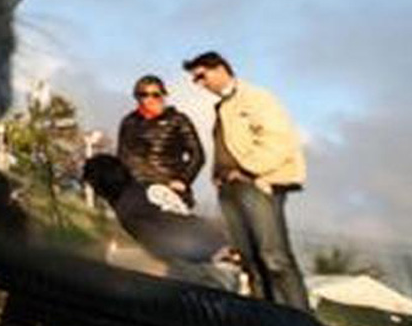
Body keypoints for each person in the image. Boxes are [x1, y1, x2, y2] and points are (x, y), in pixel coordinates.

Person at [183, 51, 310, 311]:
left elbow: (279, 139)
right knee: (251, 261)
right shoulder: (223, 106)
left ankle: (299, 317)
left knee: (274, 259)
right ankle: (264, 317)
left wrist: (249, 171)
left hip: (256, 186)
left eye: (201, 76)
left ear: (219, 69)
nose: (199, 83)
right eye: (195, 79)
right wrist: (220, 178)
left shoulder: (255, 97)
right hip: (230, 189)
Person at [82, 154, 238, 291]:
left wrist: (117, 257)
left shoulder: (127, 209)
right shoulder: (150, 187)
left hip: (203, 264)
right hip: (215, 247)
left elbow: (162, 244)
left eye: (94, 187)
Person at [116, 75, 204, 208]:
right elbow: (122, 155)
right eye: (144, 94)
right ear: (137, 96)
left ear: (163, 95)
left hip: (168, 191)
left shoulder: (178, 120)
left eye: (155, 94)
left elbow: (197, 154)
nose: (150, 99)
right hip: (136, 190)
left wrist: (183, 180)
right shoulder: (128, 121)